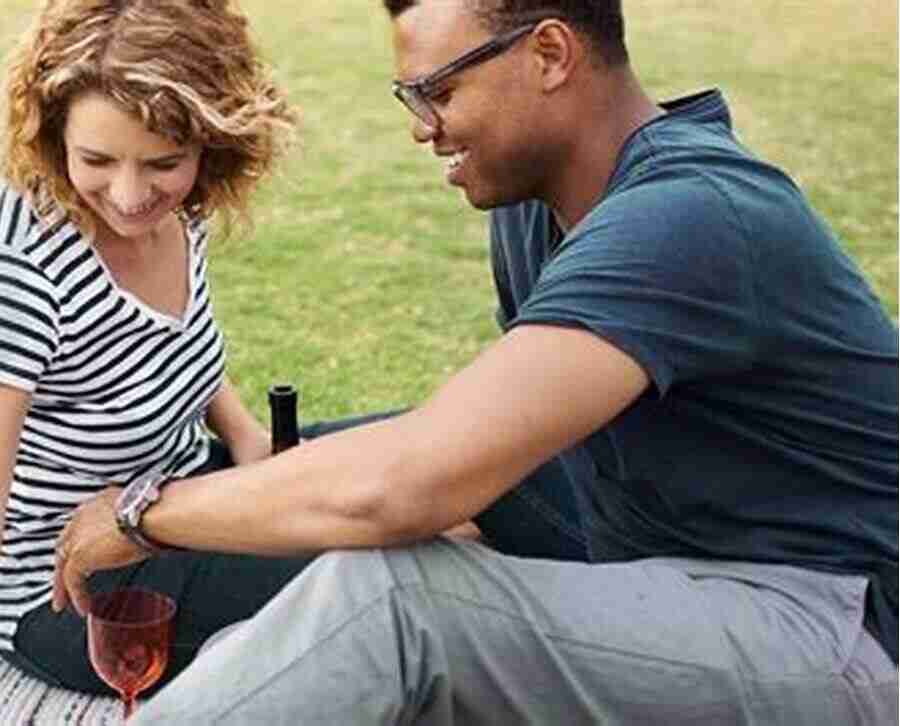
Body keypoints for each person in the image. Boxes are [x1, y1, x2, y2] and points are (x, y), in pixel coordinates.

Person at [49, 0, 900, 723]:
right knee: (309, 619)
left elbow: (410, 482)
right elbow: (476, 460)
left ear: (550, 53)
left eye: (438, 90)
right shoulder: (539, 211)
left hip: (837, 625)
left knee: (393, 605)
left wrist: (139, 514)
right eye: (408, 95)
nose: (423, 128)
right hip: (673, 569)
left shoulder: (689, 217)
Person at [0, 2, 588, 723]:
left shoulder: (180, 207)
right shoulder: (12, 262)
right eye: (96, 160)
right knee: (405, 556)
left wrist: (244, 438)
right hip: (79, 593)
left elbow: (166, 349)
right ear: (52, 135)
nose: (132, 194)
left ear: (213, 140)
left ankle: (640, 609)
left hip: (185, 497)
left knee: (471, 455)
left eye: (163, 162)